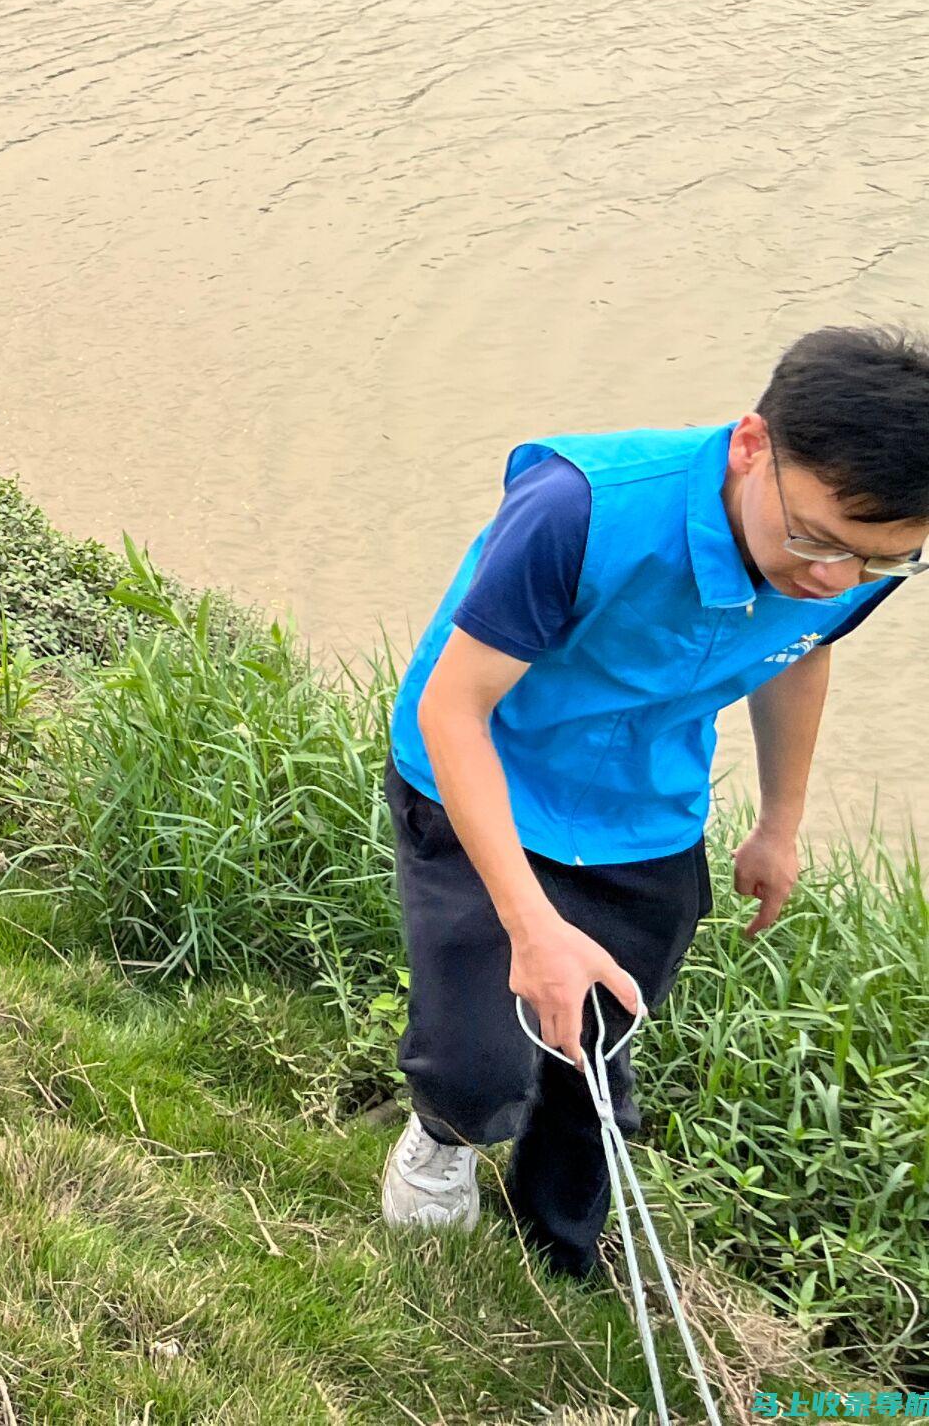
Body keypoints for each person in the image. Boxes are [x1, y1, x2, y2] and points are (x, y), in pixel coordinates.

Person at [377, 327, 929, 1275]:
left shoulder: (852, 564)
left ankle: (556, 1246)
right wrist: (532, 926)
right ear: (753, 445)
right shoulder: (578, 509)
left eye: (880, 562)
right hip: (483, 778)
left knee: (598, 1039)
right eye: (817, 541)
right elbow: (453, 709)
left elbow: (802, 652)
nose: (833, 579)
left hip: (643, 808)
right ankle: (443, 1140)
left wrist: (778, 824)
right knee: (477, 1062)